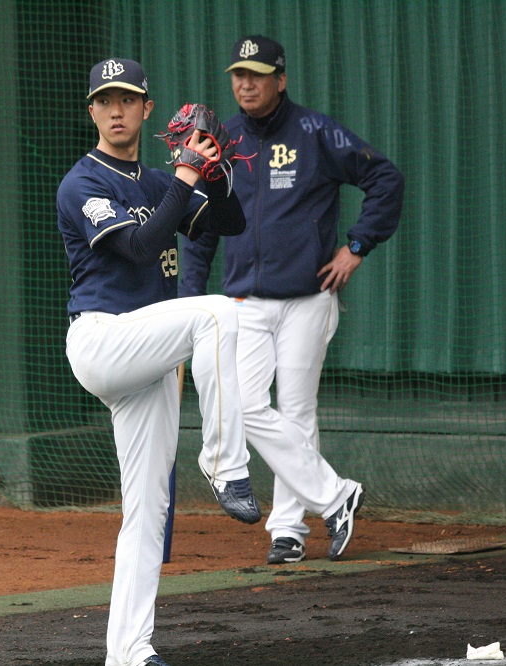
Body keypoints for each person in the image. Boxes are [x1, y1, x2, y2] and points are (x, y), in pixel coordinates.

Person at [57, 57, 260, 666]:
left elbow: (229, 222)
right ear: (91, 110)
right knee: (220, 313)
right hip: (102, 340)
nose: (116, 110)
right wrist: (185, 174)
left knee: (147, 511)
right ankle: (225, 465)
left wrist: (214, 173)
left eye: (127, 99)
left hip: (147, 355)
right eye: (104, 100)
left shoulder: (153, 183)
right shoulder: (82, 183)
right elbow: (143, 245)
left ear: (147, 108)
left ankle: (129, 651)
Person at [180, 35, 404, 565]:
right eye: (239, 74)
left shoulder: (314, 130)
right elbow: (200, 233)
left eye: (257, 74)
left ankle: (288, 531)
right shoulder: (223, 140)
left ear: (280, 80)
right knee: (246, 405)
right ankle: (335, 496)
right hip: (243, 303)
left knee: (298, 412)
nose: (245, 84)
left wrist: (356, 247)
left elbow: (384, 178)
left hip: (308, 296)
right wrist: (188, 306)